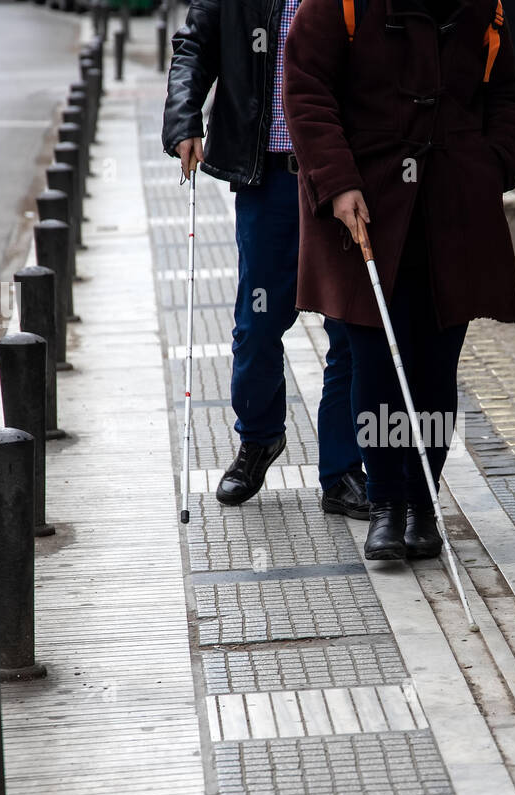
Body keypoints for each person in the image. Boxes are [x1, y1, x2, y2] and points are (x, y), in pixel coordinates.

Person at [284, 0, 515, 560]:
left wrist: (492, 163)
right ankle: (387, 504)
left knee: (435, 367)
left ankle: (424, 504)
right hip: (368, 209)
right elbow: (306, 86)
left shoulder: (483, 7)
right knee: (375, 365)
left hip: (453, 212)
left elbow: (504, 92)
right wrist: (338, 181)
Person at [161, 0, 369, 518]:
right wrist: (184, 117)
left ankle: (341, 470)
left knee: (348, 328)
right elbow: (194, 45)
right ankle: (258, 439)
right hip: (268, 178)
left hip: (338, 177)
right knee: (256, 325)